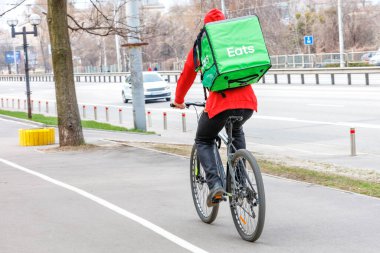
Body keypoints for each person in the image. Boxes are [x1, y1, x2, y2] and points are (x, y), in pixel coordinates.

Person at [172, 9, 258, 207]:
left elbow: (187, 75)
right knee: (236, 132)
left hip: (221, 104)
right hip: (247, 103)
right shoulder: (234, 39)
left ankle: (215, 186)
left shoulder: (203, 43)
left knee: (203, 139)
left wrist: (178, 99)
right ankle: (240, 183)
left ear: (205, 26)